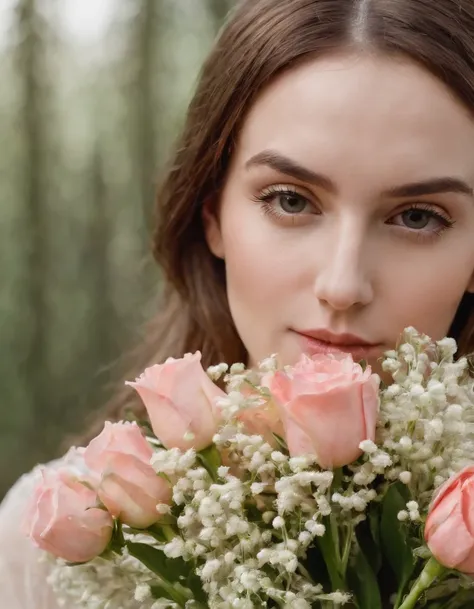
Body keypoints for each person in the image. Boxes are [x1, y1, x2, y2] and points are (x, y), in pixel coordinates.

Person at [1, 0, 474, 606]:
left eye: (417, 216)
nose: (342, 284)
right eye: (291, 201)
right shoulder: (54, 540)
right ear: (213, 215)